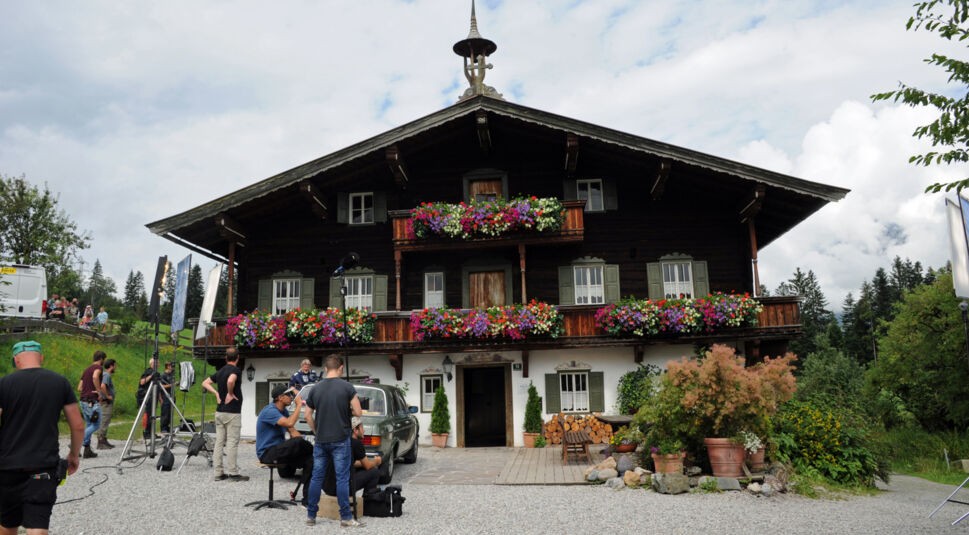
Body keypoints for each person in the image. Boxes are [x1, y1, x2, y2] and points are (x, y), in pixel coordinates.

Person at [0, 340, 84, 535]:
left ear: (16, 360)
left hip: (7, 466)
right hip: (43, 467)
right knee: (37, 524)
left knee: (7, 522)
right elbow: (78, 425)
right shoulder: (59, 382)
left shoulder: (4, 384)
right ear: (41, 358)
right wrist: (74, 454)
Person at [304, 354, 364, 528]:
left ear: (325, 369)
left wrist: (316, 430)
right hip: (340, 438)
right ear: (341, 369)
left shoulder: (315, 388)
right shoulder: (347, 387)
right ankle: (345, 517)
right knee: (342, 479)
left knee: (317, 477)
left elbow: (307, 414)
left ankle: (311, 515)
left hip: (321, 439)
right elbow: (358, 412)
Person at [256, 386, 313, 505]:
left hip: (280, 451)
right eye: (289, 395)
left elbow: (293, 431)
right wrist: (298, 405)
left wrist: (310, 448)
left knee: (311, 460)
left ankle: (307, 500)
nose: (291, 398)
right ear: (280, 398)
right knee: (299, 442)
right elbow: (289, 422)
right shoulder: (269, 411)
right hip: (267, 453)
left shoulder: (284, 412)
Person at [202, 347, 248, 482]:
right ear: (238, 358)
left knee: (219, 442)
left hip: (220, 411)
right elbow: (231, 381)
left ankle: (218, 472)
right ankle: (233, 472)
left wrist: (216, 393)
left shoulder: (220, 371)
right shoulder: (236, 370)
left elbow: (205, 383)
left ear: (226, 358)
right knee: (232, 442)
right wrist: (230, 393)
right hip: (232, 412)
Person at [323, 416, 381, 498]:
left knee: (360, 469)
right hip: (342, 488)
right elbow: (367, 466)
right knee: (374, 472)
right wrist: (376, 461)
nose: (363, 430)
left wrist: (362, 464)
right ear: (355, 430)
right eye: (361, 428)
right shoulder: (356, 443)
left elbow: (351, 462)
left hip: (328, 487)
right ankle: (368, 503)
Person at [77, 351, 106, 459]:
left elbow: (79, 388)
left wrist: (87, 391)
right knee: (96, 424)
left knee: (89, 424)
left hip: (83, 401)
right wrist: (99, 392)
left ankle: (87, 451)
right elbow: (95, 377)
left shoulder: (86, 370)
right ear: (101, 359)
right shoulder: (98, 368)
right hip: (92, 401)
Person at [96, 358, 117, 450]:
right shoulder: (106, 375)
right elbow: (103, 386)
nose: (116, 367)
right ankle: (101, 441)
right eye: (115, 365)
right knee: (104, 421)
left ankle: (104, 439)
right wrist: (107, 396)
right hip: (106, 403)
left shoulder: (105, 374)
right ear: (111, 366)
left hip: (105, 402)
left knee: (105, 421)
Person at [158, 361, 174, 434]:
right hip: (165, 396)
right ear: (167, 366)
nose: (172, 367)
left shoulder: (171, 375)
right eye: (171, 366)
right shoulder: (163, 375)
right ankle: (163, 428)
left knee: (170, 412)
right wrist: (171, 385)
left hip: (171, 395)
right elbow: (161, 386)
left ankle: (168, 427)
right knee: (165, 413)